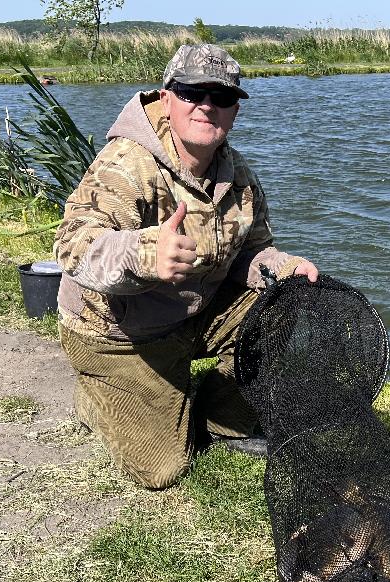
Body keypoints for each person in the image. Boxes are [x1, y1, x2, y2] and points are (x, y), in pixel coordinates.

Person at [54, 43, 318, 489]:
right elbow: (73, 246)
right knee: (163, 469)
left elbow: (251, 252)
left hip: (192, 312)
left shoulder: (240, 177)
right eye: (193, 93)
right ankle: (96, 397)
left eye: (222, 97)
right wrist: (145, 253)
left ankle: (218, 416)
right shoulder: (127, 163)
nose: (207, 106)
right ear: (167, 98)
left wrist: (281, 266)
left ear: (235, 110)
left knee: (283, 305)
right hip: (118, 333)